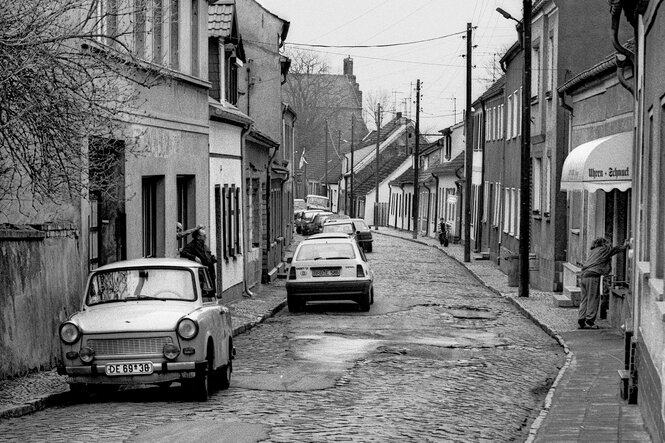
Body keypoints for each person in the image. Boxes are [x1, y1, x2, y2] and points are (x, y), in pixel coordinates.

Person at [578, 237, 629, 329]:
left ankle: (581, 319)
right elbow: (614, 250)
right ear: (604, 243)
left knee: (584, 299)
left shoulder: (593, 251)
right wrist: (625, 246)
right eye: (608, 243)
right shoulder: (604, 250)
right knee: (593, 298)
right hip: (593, 275)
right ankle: (590, 321)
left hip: (583, 275)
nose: (609, 244)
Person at [180, 227, 217, 292]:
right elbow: (183, 253)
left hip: (209, 272)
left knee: (211, 290)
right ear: (198, 237)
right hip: (201, 273)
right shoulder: (192, 245)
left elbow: (207, 255)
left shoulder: (204, 246)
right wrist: (194, 257)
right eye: (204, 236)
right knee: (203, 290)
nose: (206, 237)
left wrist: (212, 258)